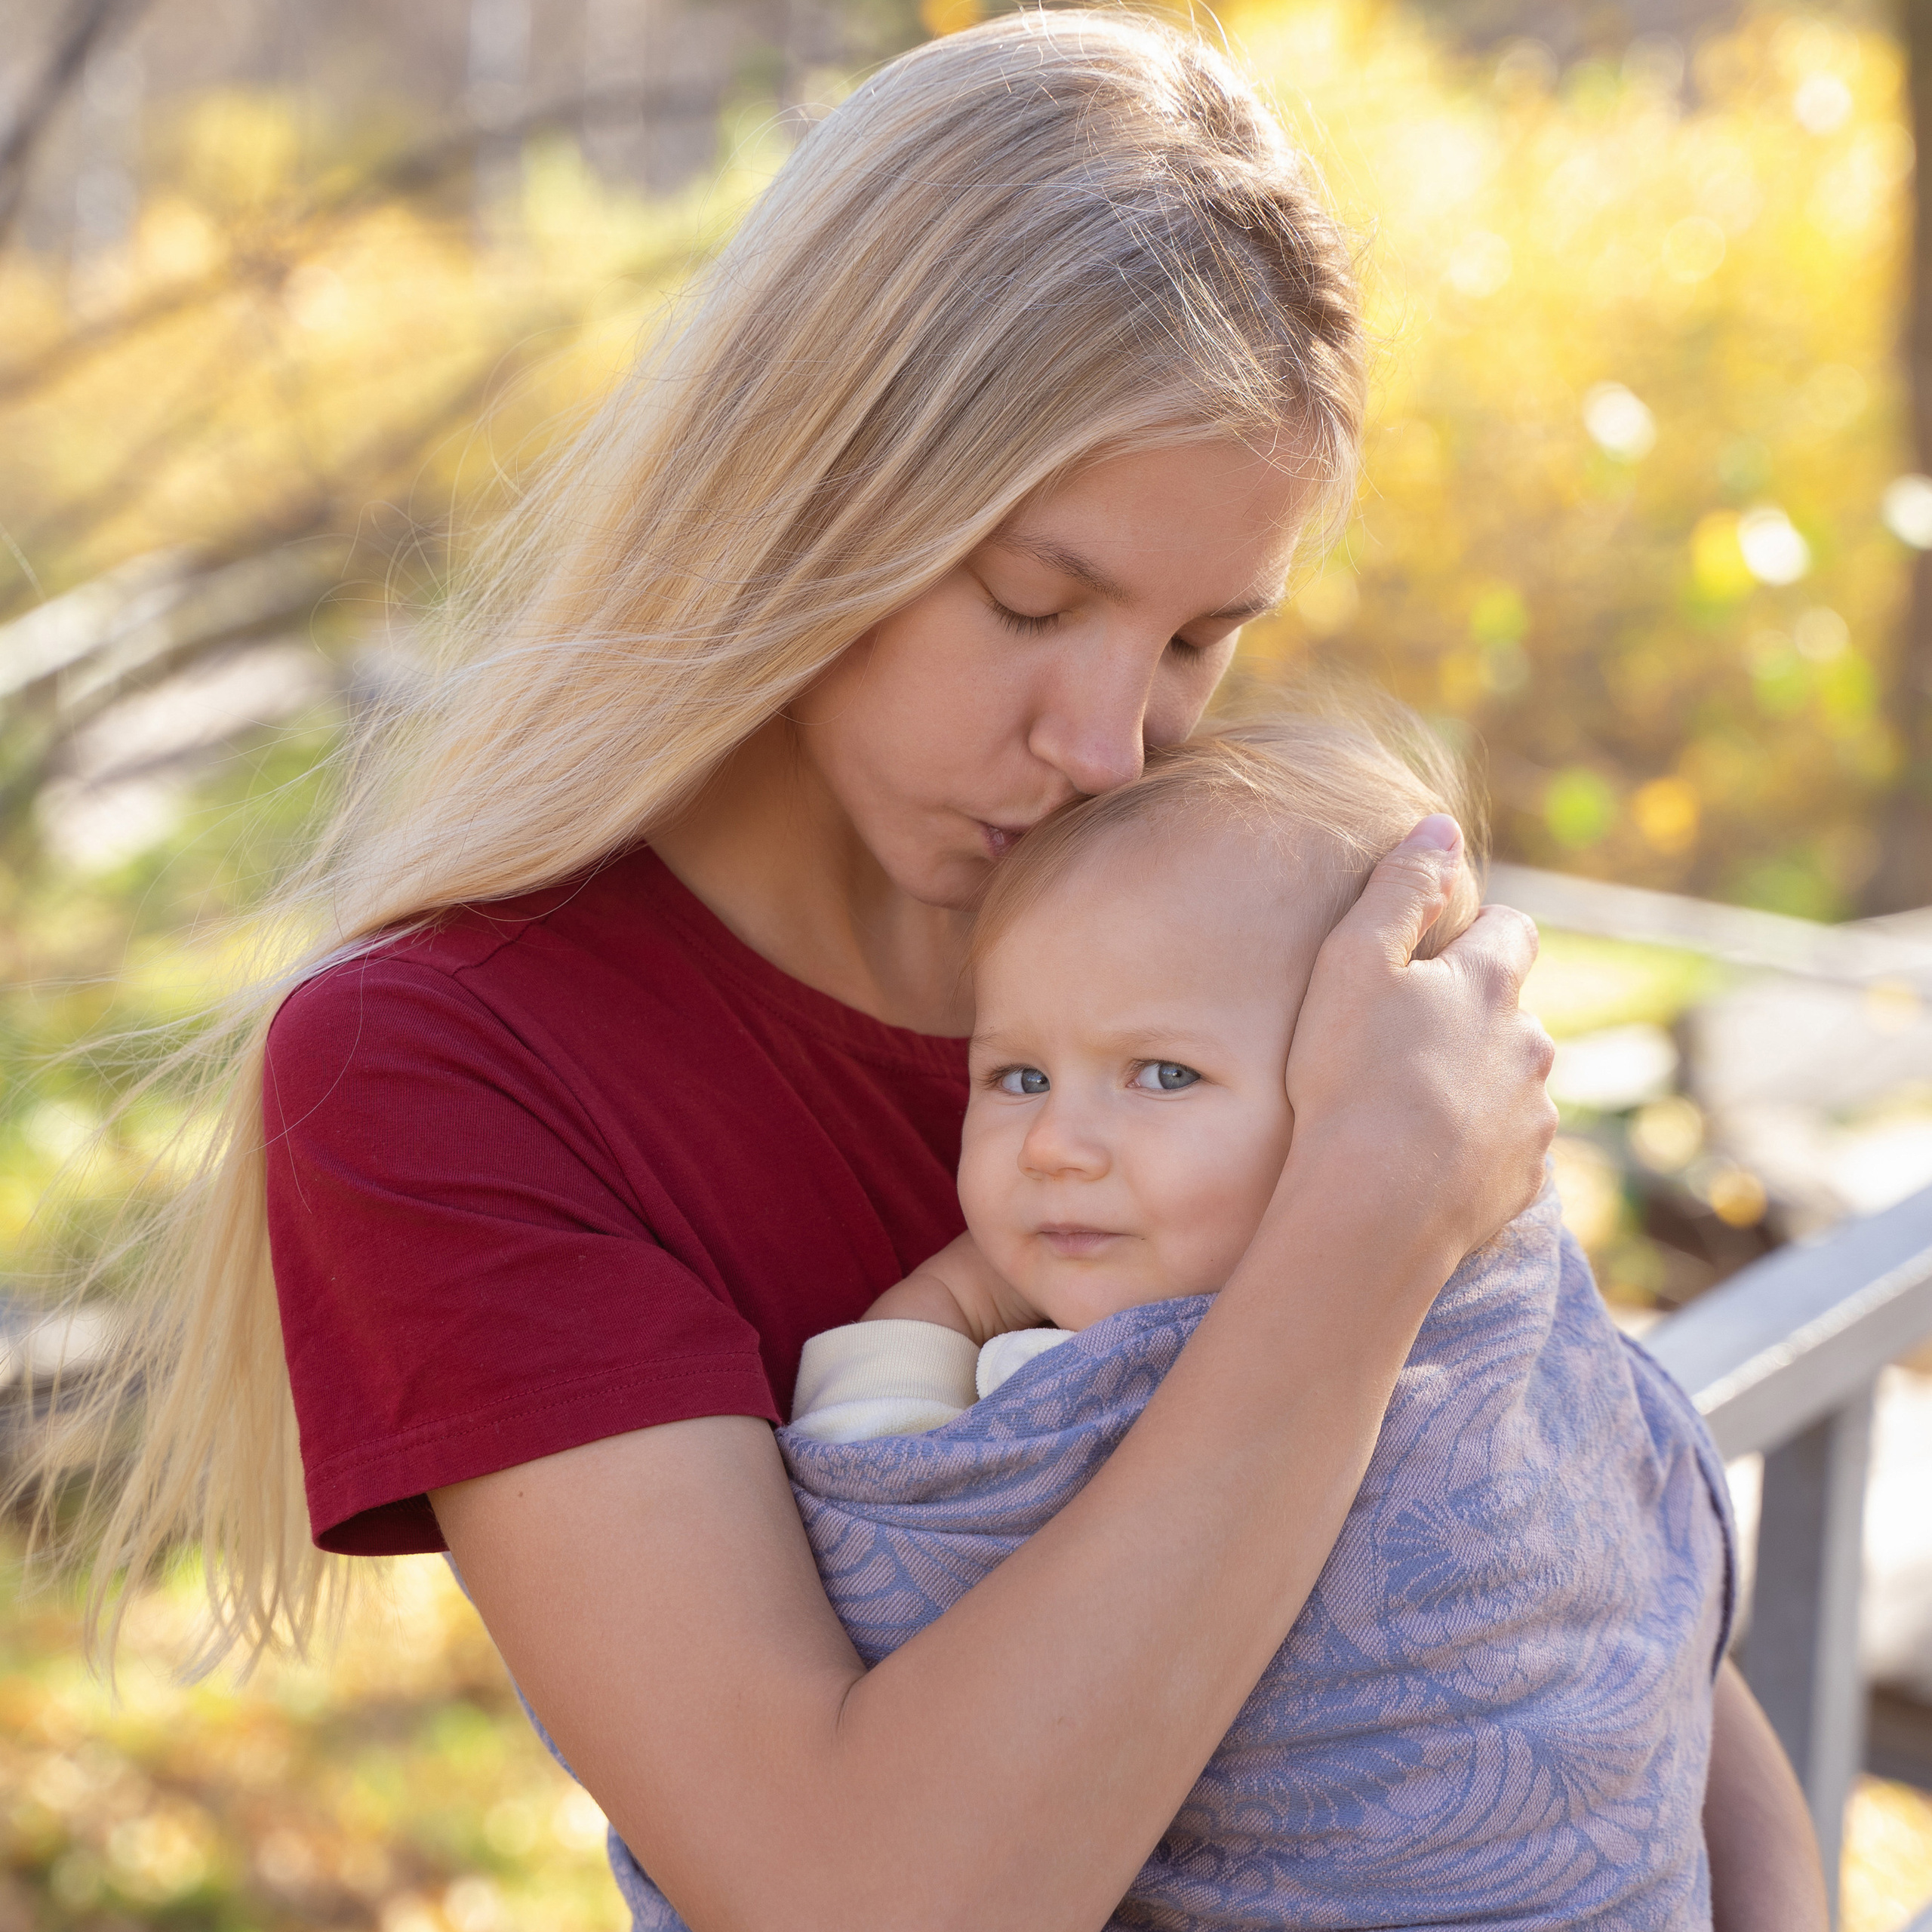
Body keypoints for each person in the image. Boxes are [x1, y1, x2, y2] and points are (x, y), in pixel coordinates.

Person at [44, 11, 1825, 1929]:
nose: (1107, 746)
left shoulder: (1226, 918)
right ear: (807, 489)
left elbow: (1581, 1624)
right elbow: (861, 1892)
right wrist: (1366, 1229)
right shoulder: (448, 1071)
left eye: (1197, 641)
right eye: (1033, 603)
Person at [777, 711, 1734, 1928]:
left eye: (1163, 1075)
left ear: (1383, 1093)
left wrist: (938, 1303)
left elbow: (882, 1559)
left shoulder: (1069, 1396)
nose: (1058, 1145)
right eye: (1018, 1076)